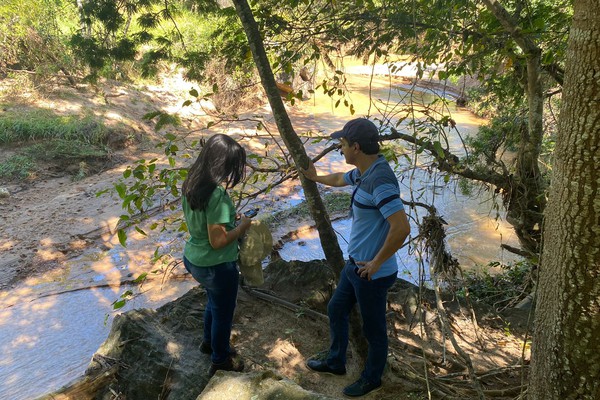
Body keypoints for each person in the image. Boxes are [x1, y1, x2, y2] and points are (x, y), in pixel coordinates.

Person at [301, 118, 411, 397]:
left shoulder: (380, 180)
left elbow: (402, 228)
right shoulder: (365, 171)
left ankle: (372, 379)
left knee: (374, 332)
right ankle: (336, 361)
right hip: (355, 268)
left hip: (372, 274)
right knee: (336, 309)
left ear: (357, 147)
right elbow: (340, 178)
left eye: (343, 144)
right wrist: (314, 178)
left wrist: (375, 263)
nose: (341, 149)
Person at [181, 134, 252, 376]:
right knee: (223, 312)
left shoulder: (191, 182)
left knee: (214, 301)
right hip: (216, 265)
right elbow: (218, 240)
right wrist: (242, 227)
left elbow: (206, 224)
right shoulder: (217, 195)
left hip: (194, 258)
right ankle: (220, 359)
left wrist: (229, 220)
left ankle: (208, 343)